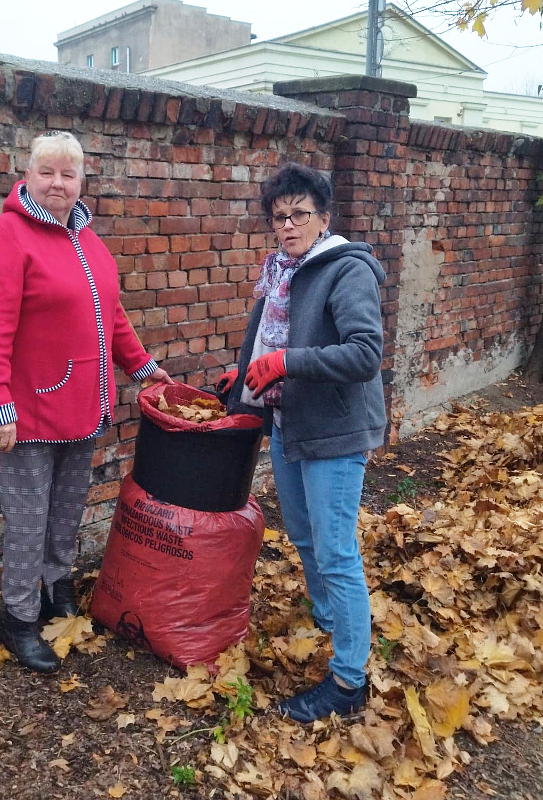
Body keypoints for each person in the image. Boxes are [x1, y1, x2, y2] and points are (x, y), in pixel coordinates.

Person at [0, 131, 172, 674]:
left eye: (69, 174)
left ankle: (58, 587)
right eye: (47, 172)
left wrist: (145, 369)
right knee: (28, 520)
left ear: (83, 182)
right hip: (29, 415)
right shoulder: (6, 237)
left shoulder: (88, 241)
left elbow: (113, 318)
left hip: (84, 408)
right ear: (28, 175)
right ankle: (18, 617)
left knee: (65, 513)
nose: (58, 183)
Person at [218, 163, 387, 722]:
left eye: (299, 215)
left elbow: (364, 355)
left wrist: (286, 364)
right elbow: (264, 339)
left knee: (337, 550)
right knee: (305, 536)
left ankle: (348, 680)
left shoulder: (347, 271)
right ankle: (333, 618)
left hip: (335, 430)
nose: (288, 226)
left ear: (324, 217)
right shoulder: (280, 272)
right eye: (279, 217)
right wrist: (241, 380)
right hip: (290, 423)